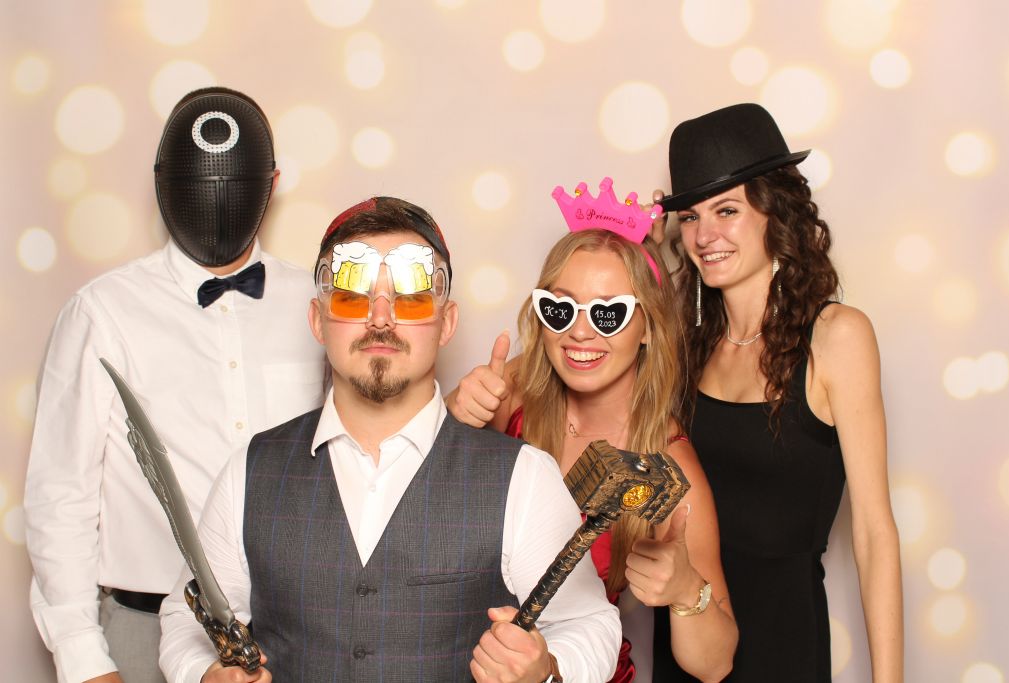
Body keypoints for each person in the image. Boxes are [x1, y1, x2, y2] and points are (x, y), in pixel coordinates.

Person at [158, 196, 621, 683]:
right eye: (353, 298)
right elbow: (187, 617)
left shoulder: (523, 476)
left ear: (446, 322)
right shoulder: (249, 472)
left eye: (411, 298)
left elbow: (588, 622)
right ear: (318, 320)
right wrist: (203, 673)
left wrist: (547, 670)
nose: (381, 319)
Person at [24, 87, 327, 683]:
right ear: (164, 184)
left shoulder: (317, 304)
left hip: (292, 627)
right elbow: (60, 492)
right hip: (139, 633)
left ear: (271, 184)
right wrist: (84, 660)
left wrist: (462, 412)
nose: (215, 201)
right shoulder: (102, 312)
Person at [447, 178, 738, 682]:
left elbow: (715, 665)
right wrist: (453, 416)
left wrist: (685, 589)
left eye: (608, 314)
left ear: (648, 328)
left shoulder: (668, 468)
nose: (579, 332)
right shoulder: (512, 389)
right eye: (560, 309)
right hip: (466, 660)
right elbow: (408, 504)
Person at [654, 103, 904, 681]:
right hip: (688, 641)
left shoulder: (837, 337)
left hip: (784, 651)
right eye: (689, 217)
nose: (704, 236)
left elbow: (874, 532)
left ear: (776, 210)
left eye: (727, 210)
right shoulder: (682, 343)